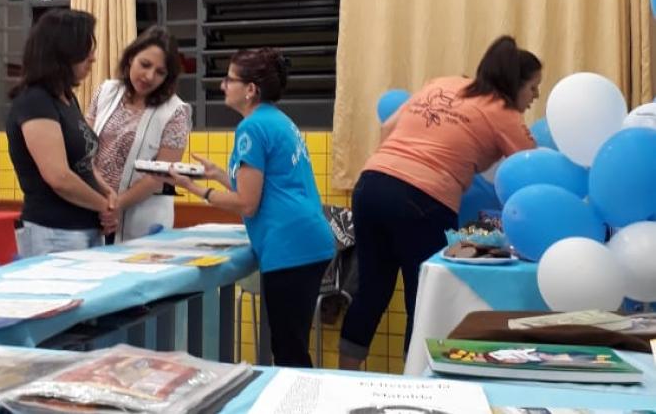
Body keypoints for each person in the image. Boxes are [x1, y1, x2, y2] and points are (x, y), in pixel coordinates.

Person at [338, 35, 542, 369]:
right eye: (533, 87)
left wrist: (390, 168)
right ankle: (414, 387)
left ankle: (344, 379)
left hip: (371, 184)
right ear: (514, 84)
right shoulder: (504, 113)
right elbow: (533, 172)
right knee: (421, 297)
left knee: (371, 290)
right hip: (421, 198)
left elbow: (388, 127)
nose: (534, 96)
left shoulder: (443, 83)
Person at [163, 48, 335, 367]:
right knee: (290, 346)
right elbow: (266, 188)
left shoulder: (252, 128)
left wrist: (196, 189)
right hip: (307, 241)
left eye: (229, 80)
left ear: (251, 89)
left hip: (291, 247)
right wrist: (219, 174)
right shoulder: (276, 120)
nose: (223, 86)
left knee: (289, 353)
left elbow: (247, 203)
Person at [6, 9, 117, 256]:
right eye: (85, 52)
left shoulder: (67, 98)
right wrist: (102, 206)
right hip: (54, 231)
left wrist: (106, 191)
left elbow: (82, 163)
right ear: (62, 54)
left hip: (85, 227)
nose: (93, 59)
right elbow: (58, 177)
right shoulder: (35, 100)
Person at [85, 26, 191, 242]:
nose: (149, 76)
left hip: (143, 218)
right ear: (131, 57)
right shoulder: (106, 91)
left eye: (160, 72)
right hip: (94, 207)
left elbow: (160, 176)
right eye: (145, 65)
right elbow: (83, 148)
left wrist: (116, 204)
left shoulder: (176, 111)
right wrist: (101, 200)